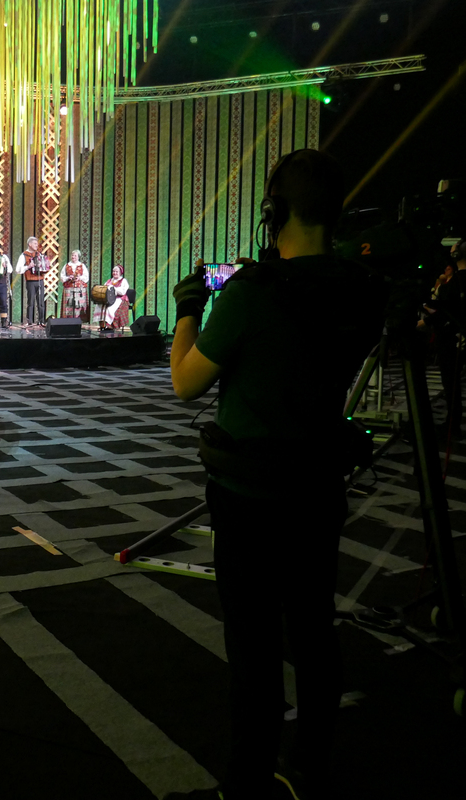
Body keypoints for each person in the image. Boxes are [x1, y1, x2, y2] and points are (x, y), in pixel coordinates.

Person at [168, 149, 383, 800]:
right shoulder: (362, 290)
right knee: (314, 632)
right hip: (319, 488)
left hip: (250, 498)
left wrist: (189, 309)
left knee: (254, 648)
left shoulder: (250, 294)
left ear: (274, 210)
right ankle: (310, 768)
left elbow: (186, 382)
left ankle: (248, 786)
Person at [419, 239, 466, 437]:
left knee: (451, 385)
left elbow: (445, 312)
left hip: (451, 340)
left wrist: (425, 322)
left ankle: (452, 426)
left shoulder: (454, 284)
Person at [15, 235, 49, 326]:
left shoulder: (39, 254)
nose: (36, 245)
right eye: (35, 244)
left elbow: (44, 266)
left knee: (41, 302)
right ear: (29, 244)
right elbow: (18, 270)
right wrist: (28, 267)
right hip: (30, 281)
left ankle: (41, 321)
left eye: (37, 244)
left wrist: (45, 265)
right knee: (30, 302)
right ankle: (29, 321)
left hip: (40, 280)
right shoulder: (24, 255)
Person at [94, 265, 129, 331]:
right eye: (113, 271)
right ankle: (102, 325)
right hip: (108, 298)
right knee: (99, 306)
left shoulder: (123, 281)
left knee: (109, 308)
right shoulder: (109, 281)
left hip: (119, 298)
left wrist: (113, 289)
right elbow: (104, 288)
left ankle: (109, 326)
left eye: (116, 271)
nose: (114, 273)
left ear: (120, 273)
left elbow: (123, 292)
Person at [60, 249, 89, 320]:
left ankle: (79, 319)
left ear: (78, 257)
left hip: (79, 288)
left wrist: (80, 278)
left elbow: (86, 276)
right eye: (72, 255)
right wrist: (68, 277)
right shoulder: (67, 265)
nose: (73, 257)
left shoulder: (82, 265)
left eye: (75, 255)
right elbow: (62, 276)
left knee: (78, 304)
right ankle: (68, 320)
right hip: (69, 288)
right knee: (68, 304)